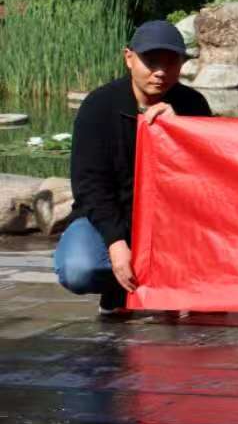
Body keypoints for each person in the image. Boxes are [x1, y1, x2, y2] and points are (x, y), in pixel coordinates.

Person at [60, 21, 213, 311]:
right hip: (112, 215)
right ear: (129, 58)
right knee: (79, 269)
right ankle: (116, 288)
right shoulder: (98, 106)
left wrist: (181, 130)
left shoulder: (193, 105)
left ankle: (172, 287)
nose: (161, 71)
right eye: (151, 61)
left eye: (171, 62)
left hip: (171, 222)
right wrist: (115, 241)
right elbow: (90, 186)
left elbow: (208, 177)